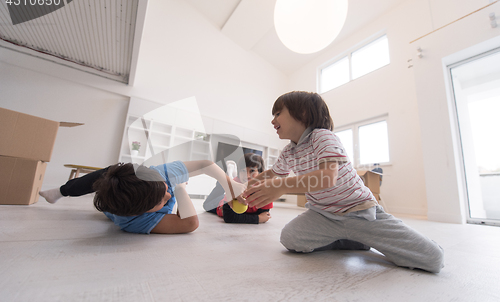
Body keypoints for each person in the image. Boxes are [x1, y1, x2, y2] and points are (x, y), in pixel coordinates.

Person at [243, 91, 444, 273]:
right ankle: (349, 239)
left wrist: (281, 187)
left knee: (434, 259)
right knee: (290, 238)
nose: (272, 120)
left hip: (360, 213)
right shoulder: (289, 151)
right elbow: (273, 174)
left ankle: (357, 235)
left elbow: (327, 177)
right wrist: (246, 186)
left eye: (278, 113)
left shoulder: (322, 137)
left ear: (302, 113)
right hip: (322, 214)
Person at [39, 160, 245, 234]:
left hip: (130, 181)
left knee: (112, 170)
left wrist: (231, 185)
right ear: (144, 212)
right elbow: (189, 223)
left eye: (165, 188)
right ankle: (62, 191)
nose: (168, 193)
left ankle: (60, 191)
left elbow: (204, 165)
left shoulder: (161, 173)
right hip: (114, 206)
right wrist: (181, 188)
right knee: (103, 178)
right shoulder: (133, 221)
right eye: (162, 201)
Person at [204, 153, 272, 224]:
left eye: (252, 171)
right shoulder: (236, 186)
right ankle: (223, 182)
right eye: (243, 171)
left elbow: (264, 214)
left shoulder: (265, 189)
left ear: (260, 173)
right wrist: (258, 218)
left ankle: (228, 179)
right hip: (220, 204)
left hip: (230, 194)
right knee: (206, 205)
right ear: (239, 173)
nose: (247, 175)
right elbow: (229, 217)